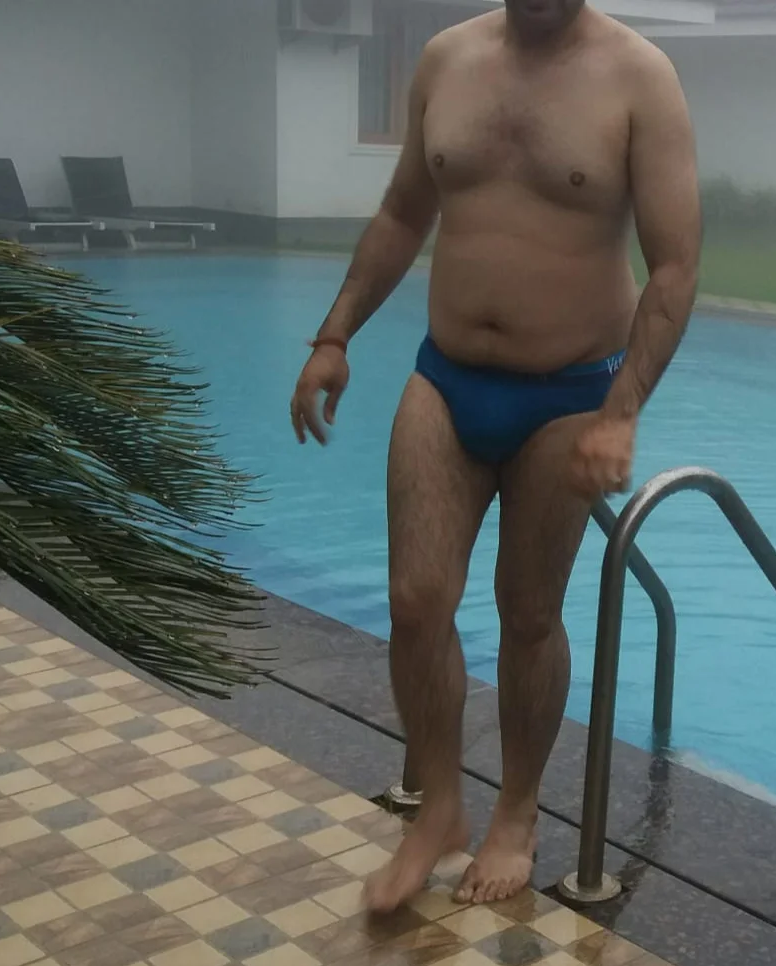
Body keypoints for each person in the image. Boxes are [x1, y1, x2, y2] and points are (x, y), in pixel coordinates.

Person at [289, 0, 700, 913]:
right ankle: (438, 810)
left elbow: (675, 264)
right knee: (415, 600)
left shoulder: (640, 78)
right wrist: (334, 336)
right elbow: (403, 210)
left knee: (528, 612)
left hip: (570, 391)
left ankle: (516, 810)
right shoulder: (448, 58)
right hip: (446, 378)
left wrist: (621, 413)